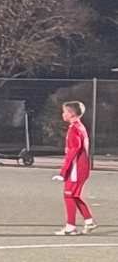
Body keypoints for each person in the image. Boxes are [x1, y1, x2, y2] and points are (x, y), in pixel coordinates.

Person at [54, 100, 97, 236]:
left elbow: (73, 150)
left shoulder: (74, 129)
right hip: (80, 167)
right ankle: (89, 221)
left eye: (65, 111)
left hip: (76, 168)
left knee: (68, 195)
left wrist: (62, 172)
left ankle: (71, 227)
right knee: (73, 195)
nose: (63, 114)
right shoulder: (79, 126)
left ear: (72, 114)